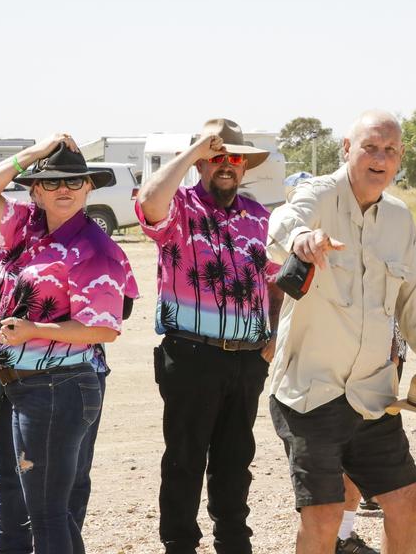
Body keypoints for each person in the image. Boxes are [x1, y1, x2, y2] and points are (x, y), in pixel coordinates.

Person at [266, 110, 416, 554]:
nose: (380, 158)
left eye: (389, 150)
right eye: (370, 147)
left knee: (408, 500)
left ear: (399, 158)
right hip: (311, 393)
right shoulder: (320, 193)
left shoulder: (400, 219)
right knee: (324, 516)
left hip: (371, 396)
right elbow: (284, 222)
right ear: (347, 149)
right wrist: (303, 239)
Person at [0, 135, 137, 554]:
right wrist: (33, 153)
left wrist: (32, 331)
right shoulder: (23, 225)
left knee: (48, 512)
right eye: (54, 181)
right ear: (36, 189)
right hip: (24, 384)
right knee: (38, 504)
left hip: (57, 386)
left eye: (76, 182)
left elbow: (103, 329)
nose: (66, 189)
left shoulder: (95, 248)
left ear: (89, 189)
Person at [136, 118, 282, 554]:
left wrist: (273, 336)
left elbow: (277, 280)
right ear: (201, 164)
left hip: (248, 358)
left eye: (235, 158)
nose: (226, 165)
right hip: (191, 356)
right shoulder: (179, 207)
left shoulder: (260, 217)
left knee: (235, 461)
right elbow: (148, 201)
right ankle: (179, 545)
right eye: (216, 157)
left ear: (244, 168)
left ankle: (233, 543)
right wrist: (195, 149)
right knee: (184, 459)